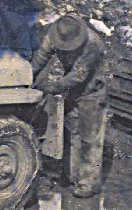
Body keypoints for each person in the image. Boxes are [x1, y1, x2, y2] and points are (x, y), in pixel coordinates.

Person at [31, 14, 106, 198]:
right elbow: (41, 56)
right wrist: (27, 76)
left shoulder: (92, 44)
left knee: (90, 138)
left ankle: (88, 183)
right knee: (71, 131)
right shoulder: (56, 33)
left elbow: (78, 75)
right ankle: (72, 175)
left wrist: (53, 86)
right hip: (72, 90)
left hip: (92, 91)